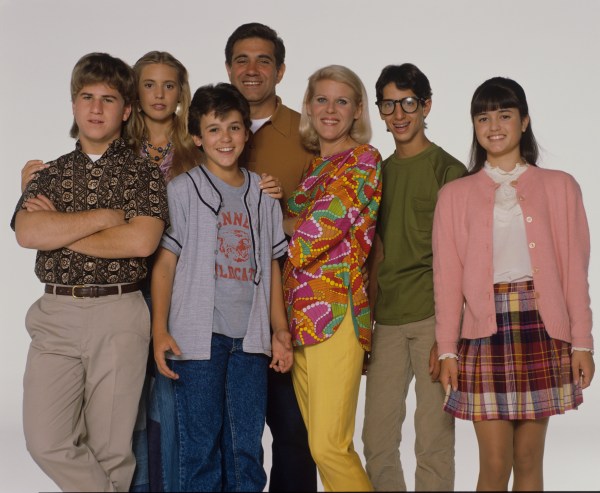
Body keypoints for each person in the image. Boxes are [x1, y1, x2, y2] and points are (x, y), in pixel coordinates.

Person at [11, 52, 169, 492]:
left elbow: (141, 242)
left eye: (108, 99)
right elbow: (27, 232)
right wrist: (105, 218)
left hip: (119, 311)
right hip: (56, 313)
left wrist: (58, 229)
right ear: (74, 104)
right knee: (46, 441)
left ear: (127, 110)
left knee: (111, 450)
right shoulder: (47, 174)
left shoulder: (144, 174)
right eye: (87, 97)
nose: (96, 108)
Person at [433, 76, 595, 491]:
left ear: (524, 121)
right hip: (484, 331)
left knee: (527, 460)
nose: (494, 126)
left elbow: (574, 272)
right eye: (483, 118)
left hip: (541, 327)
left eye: (504, 115)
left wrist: (582, 343)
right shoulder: (454, 194)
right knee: (495, 461)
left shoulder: (561, 186)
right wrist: (448, 349)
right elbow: (446, 281)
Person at [151, 82, 293, 492]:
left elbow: (272, 266)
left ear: (246, 132)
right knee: (200, 452)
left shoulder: (263, 195)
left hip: (250, 342)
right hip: (197, 341)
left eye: (233, 127)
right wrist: (159, 329)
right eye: (213, 129)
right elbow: (165, 264)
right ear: (197, 137)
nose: (225, 138)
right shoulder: (182, 190)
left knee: (245, 452)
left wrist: (279, 331)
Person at [362, 63, 465, 491]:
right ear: (380, 112)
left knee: (433, 439)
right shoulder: (377, 174)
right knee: (376, 440)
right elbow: (374, 255)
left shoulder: (449, 171)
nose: (399, 114)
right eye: (388, 105)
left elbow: (462, 260)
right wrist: (366, 325)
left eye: (407, 103)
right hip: (386, 321)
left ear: (426, 106)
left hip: (432, 321)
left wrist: (449, 337)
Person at [225, 22, 317, 492]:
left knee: (295, 435)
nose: (252, 69)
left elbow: (335, 223)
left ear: (280, 70)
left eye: (264, 60)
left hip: (293, 312)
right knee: (229, 437)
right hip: (224, 313)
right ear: (228, 68)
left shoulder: (310, 133)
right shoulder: (207, 129)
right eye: (242, 59)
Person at [283, 64, 382, 492]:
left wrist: (281, 223)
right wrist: (291, 224)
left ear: (357, 110)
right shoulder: (314, 169)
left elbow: (311, 237)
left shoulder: (364, 159)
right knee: (319, 445)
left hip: (336, 314)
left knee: (329, 448)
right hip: (298, 318)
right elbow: (302, 232)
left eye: (342, 101)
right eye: (321, 99)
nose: (330, 109)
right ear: (308, 106)